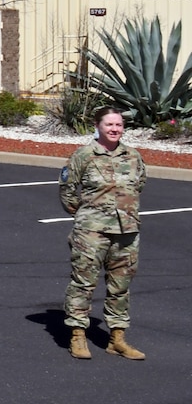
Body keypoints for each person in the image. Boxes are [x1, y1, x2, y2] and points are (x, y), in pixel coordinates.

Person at [61, 107, 147, 359]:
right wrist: (88, 214)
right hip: (91, 232)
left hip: (127, 231)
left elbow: (140, 183)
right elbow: (67, 191)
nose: (114, 129)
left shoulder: (133, 156)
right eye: (109, 124)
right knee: (84, 284)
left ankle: (117, 339)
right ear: (98, 126)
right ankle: (77, 336)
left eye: (118, 125)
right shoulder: (84, 155)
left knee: (121, 286)